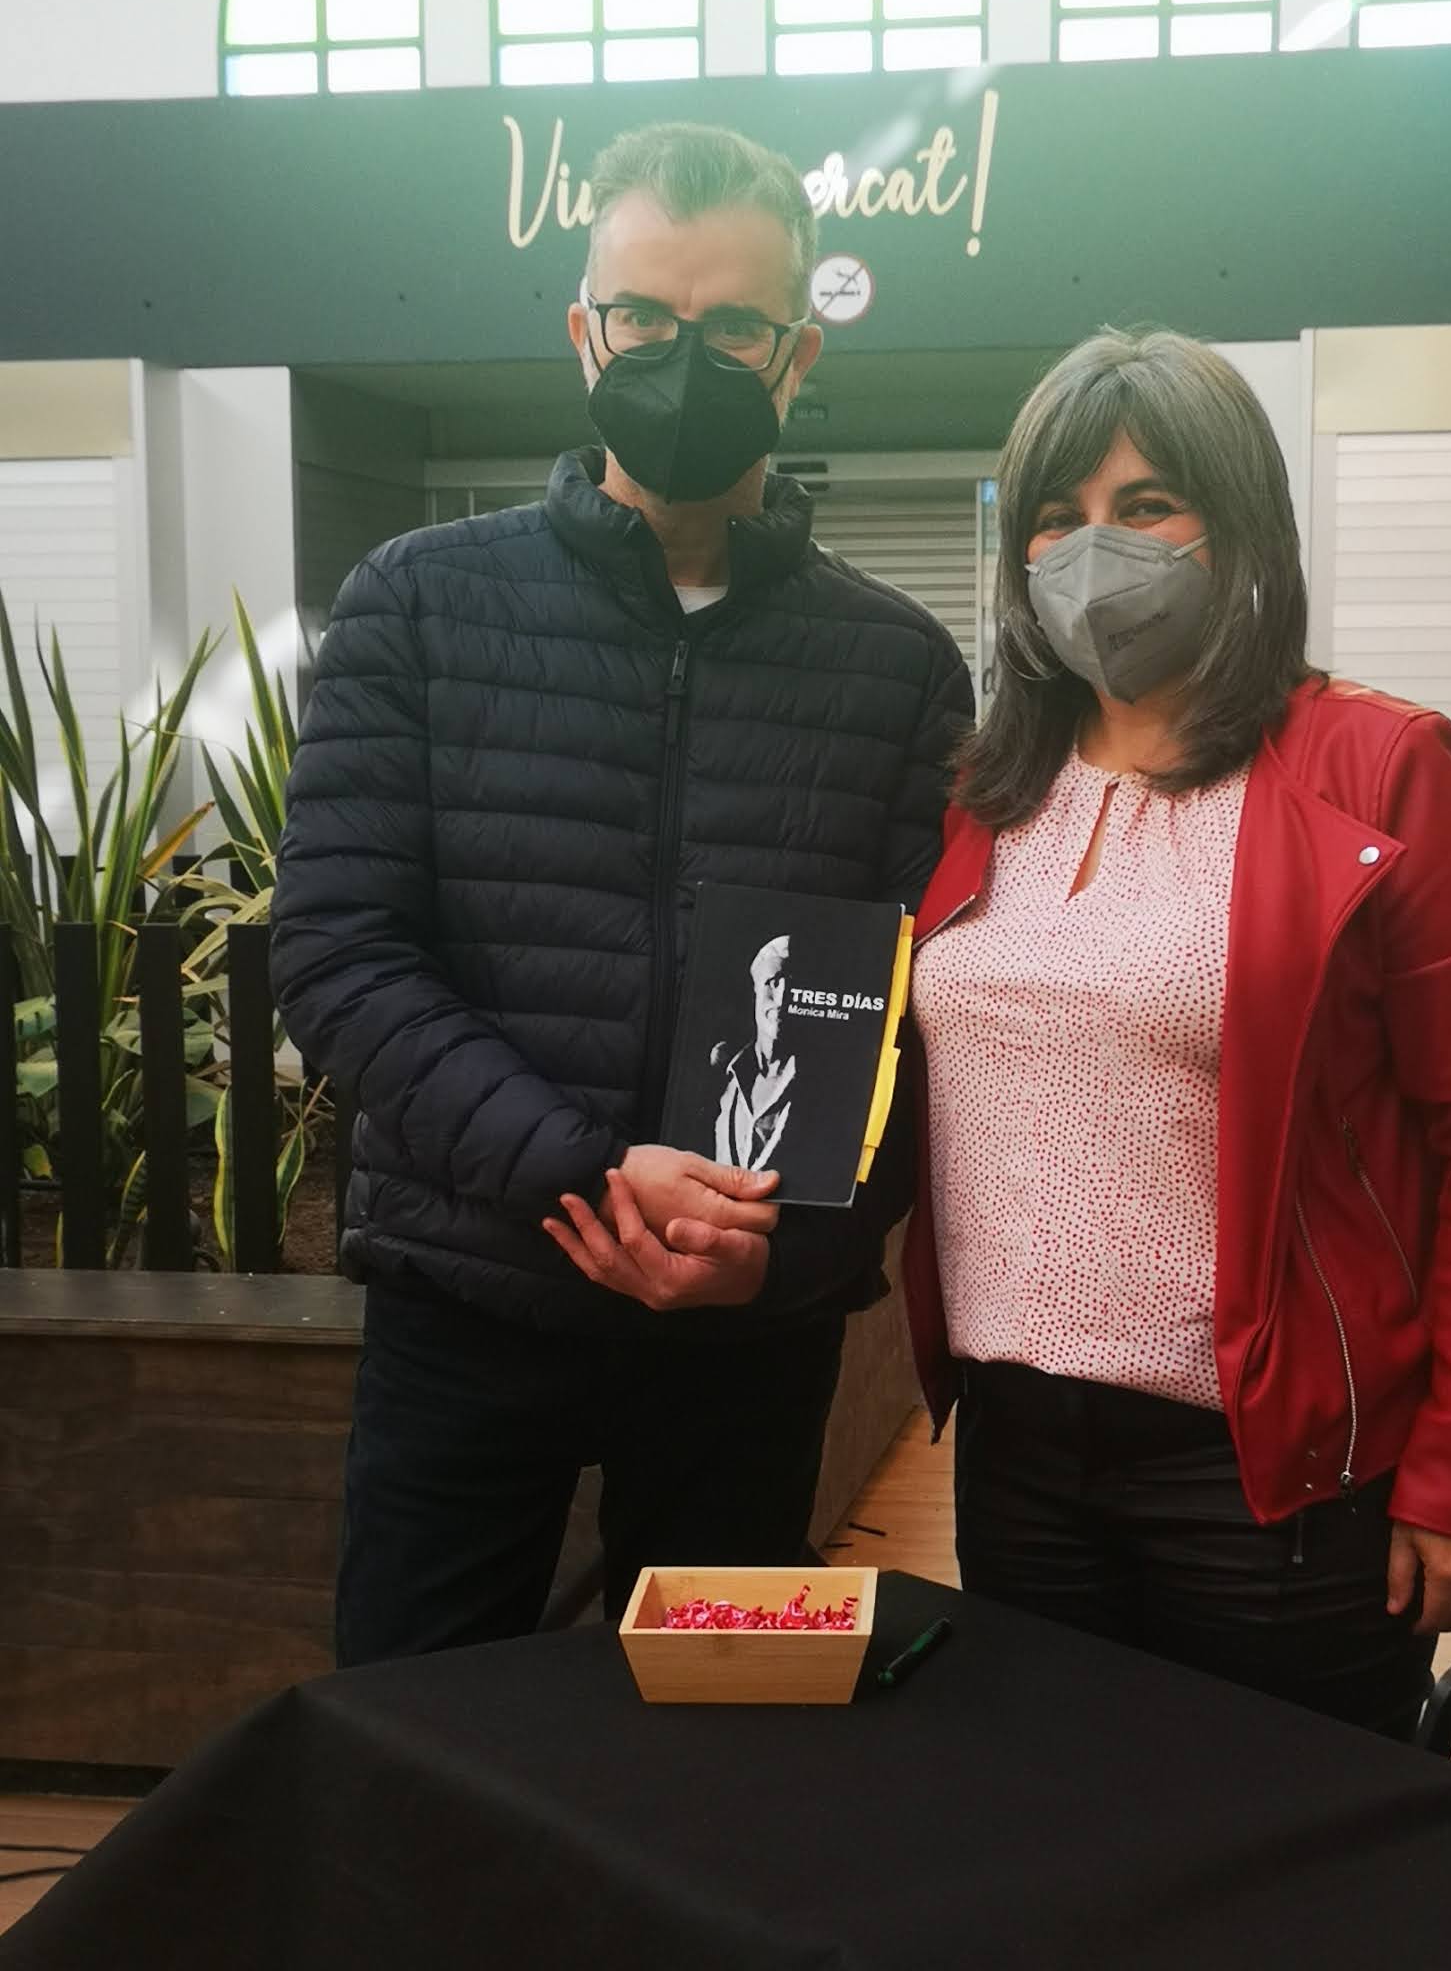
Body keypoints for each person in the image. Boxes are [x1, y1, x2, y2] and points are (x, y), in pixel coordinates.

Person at [270, 121, 972, 1666]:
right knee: (420, 1727)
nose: (682, 356)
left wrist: (790, 1255)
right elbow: (339, 953)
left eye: (732, 328)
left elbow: (921, 1016)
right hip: (472, 1297)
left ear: (796, 356)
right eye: (645, 317)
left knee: (720, 1743)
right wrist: (584, 1174)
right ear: (585, 334)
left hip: (744, 1329)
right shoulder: (418, 607)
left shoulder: (897, 668)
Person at [901, 328, 1451, 1739]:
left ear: (1242, 523)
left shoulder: (1382, 769)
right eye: (1057, 517)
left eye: (1147, 505)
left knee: (1279, 1839)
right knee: (1045, 1819)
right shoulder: (986, 789)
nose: (1095, 548)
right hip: (1015, 1452)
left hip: (1270, 1477)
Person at [712, 935, 797, 1172]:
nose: (782, 998)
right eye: (774, 982)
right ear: (755, 990)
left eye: (794, 985)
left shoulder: (818, 1080)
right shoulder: (724, 1076)